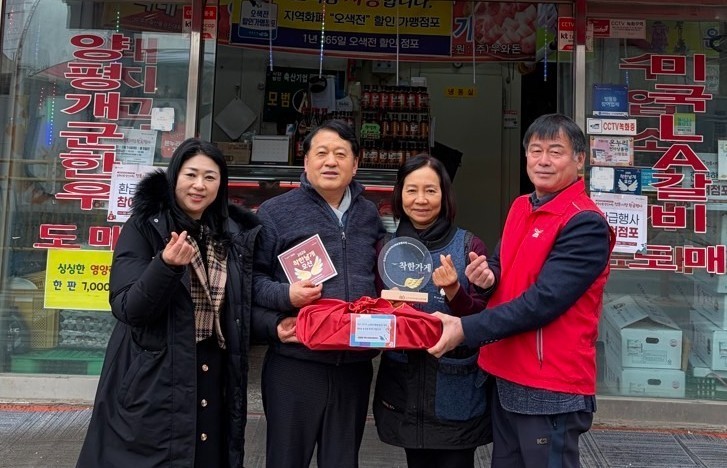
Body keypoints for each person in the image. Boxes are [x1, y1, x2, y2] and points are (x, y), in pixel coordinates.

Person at [428, 113, 615, 468]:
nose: (543, 160)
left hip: (550, 383)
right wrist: (487, 276)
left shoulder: (584, 223)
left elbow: (543, 302)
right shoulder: (521, 206)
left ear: (579, 159)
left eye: (555, 151)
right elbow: (503, 264)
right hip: (507, 371)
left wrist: (464, 329)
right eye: (535, 150)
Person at [76, 138, 261, 468]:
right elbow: (129, 308)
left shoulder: (230, 235)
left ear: (221, 184)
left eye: (210, 177)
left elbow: (238, 309)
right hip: (155, 376)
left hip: (214, 370)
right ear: (174, 177)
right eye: (191, 175)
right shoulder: (145, 226)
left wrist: (278, 324)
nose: (199, 185)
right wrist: (166, 266)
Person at [251, 119, 385, 467]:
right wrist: (286, 296)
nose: (330, 162)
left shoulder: (369, 215)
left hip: (354, 366)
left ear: (355, 164)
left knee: (342, 461)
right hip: (296, 362)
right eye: (322, 153)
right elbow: (250, 279)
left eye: (341, 154)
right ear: (306, 160)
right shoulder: (275, 212)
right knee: (286, 460)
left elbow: (380, 276)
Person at [373, 154, 492, 468]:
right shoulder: (385, 248)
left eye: (430, 190)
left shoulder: (469, 246)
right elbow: (374, 308)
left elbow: (481, 320)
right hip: (404, 385)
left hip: (455, 388)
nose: (421, 200)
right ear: (400, 194)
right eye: (411, 190)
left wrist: (454, 290)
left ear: (445, 194)